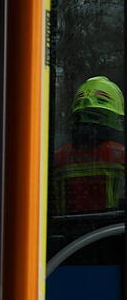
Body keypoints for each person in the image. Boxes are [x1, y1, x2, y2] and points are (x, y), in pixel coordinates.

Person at [52, 76, 125, 215]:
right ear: (113, 116)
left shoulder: (58, 157)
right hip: (113, 227)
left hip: (67, 228)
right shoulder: (120, 155)